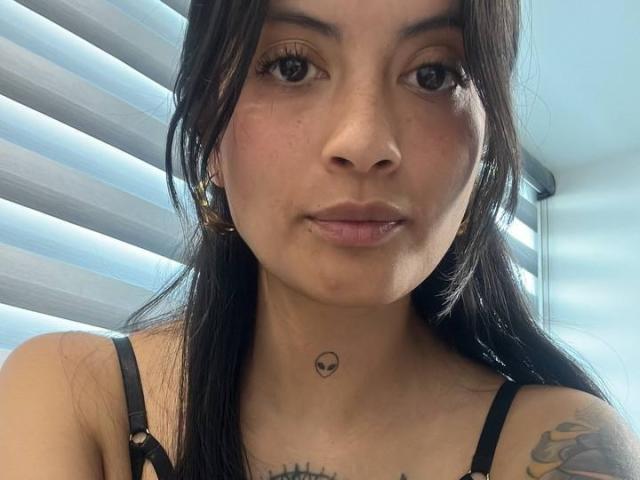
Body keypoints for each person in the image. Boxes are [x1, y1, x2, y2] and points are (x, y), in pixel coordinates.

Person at [1, 0, 640, 479]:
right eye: (292, 65)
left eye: (433, 75)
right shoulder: (75, 401)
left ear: (486, 146)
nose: (364, 143)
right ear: (209, 132)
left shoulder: (560, 441)